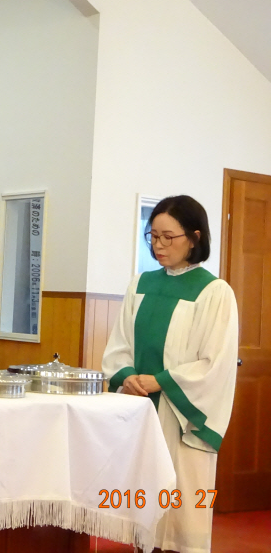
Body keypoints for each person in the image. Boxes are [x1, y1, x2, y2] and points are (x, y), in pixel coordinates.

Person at [102, 195, 238, 553]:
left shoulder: (214, 292)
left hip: (182, 414)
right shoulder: (140, 285)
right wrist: (127, 375)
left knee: (183, 507)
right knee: (143, 501)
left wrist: (160, 381)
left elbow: (215, 362)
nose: (158, 245)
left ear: (194, 238)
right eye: (153, 236)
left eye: (168, 237)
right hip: (141, 408)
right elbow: (120, 344)